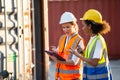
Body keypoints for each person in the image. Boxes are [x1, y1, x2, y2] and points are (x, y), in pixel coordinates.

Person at [69, 9, 113, 80]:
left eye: (83, 25)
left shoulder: (98, 41)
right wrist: (82, 52)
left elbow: (94, 62)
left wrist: (78, 55)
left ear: (89, 26)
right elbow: (91, 57)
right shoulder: (93, 38)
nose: (82, 28)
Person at [49, 12, 85, 80]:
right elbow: (62, 53)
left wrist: (58, 61)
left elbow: (74, 62)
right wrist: (55, 51)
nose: (65, 30)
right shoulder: (63, 38)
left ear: (74, 25)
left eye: (68, 27)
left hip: (73, 78)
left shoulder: (79, 40)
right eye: (63, 27)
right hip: (61, 77)